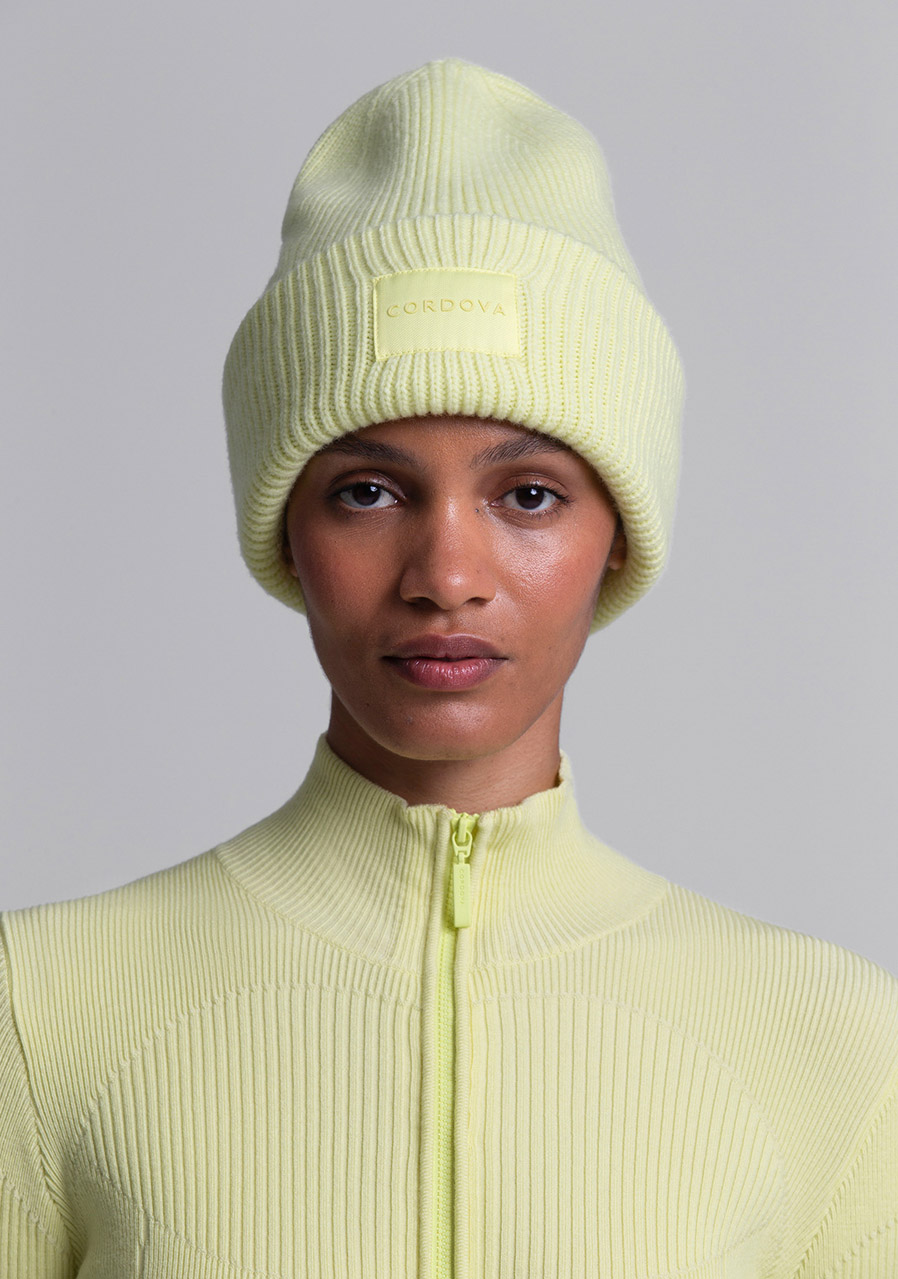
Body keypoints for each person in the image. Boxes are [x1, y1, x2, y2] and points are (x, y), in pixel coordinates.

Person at [1, 56, 896, 1279]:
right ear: (285, 531)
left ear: (618, 534)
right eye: (367, 492)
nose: (446, 574)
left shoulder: (832, 1045)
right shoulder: (38, 1009)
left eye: (528, 494)